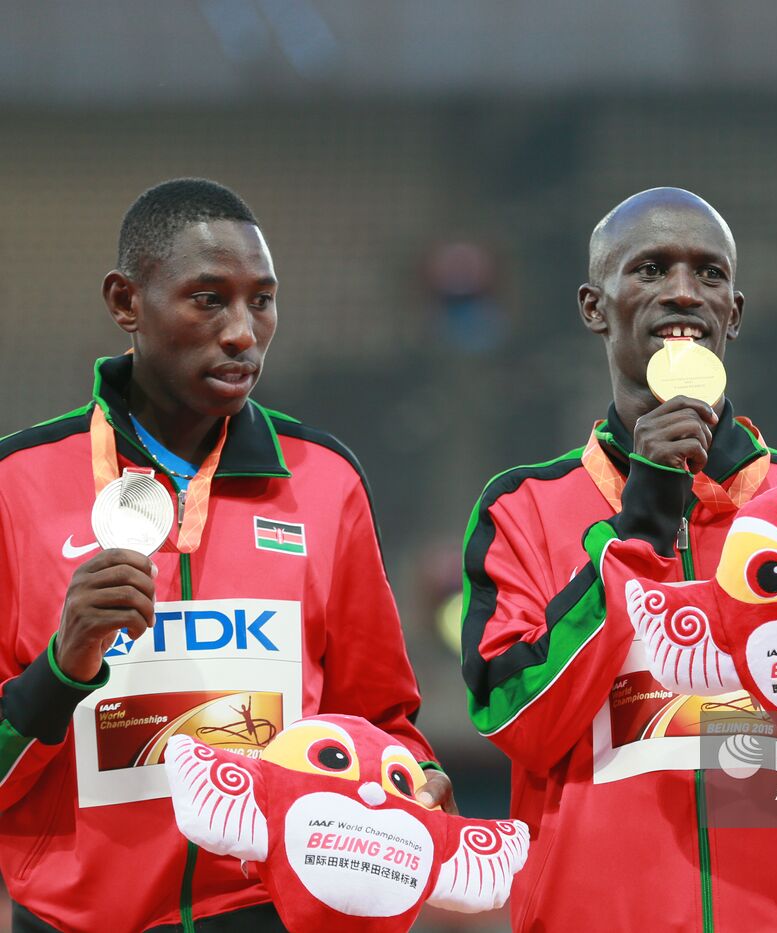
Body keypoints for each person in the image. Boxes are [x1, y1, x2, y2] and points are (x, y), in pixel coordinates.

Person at [461, 187, 777, 931]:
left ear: (733, 311)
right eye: (650, 269)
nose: (682, 292)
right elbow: (516, 720)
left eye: (708, 274)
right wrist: (639, 525)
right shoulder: (523, 507)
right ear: (593, 305)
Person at [0, 179, 453, 932]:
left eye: (262, 300)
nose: (244, 331)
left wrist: (422, 779)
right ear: (126, 302)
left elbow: (381, 718)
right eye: (209, 299)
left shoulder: (324, 481)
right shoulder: (16, 486)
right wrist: (61, 668)